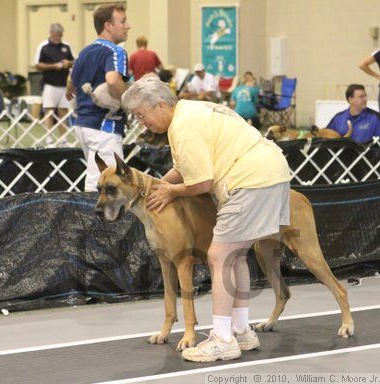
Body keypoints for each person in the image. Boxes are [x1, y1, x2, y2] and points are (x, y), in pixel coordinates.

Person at [122, 75, 292, 362]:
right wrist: (160, 185)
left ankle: (222, 338)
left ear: (160, 105)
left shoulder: (183, 127)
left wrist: (172, 192)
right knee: (235, 256)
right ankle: (241, 331)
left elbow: (201, 183)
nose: (142, 122)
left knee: (219, 255)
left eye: (142, 115)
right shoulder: (191, 109)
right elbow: (182, 167)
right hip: (272, 173)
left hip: (248, 179)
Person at [67, 4, 130, 192]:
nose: (128, 26)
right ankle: (99, 221)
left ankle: (91, 220)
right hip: (104, 126)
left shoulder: (84, 52)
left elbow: (71, 82)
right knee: (111, 185)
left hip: (83, 124)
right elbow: (112, 80)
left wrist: (73, 91)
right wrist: (127, 101)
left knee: (97, 178)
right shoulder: (115, 51)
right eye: (123, 21)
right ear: (108, 26)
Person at [35, 23, 75, 143]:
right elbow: (37, 65)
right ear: (51, 33)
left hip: (64, 85)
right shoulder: (43, 46)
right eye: (56, 35)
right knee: (49, 110)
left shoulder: (67, 46)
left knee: (63, 110)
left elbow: (75, 61)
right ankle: (49, 137)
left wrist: (69, 63)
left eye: (60, 35)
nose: (58, 37)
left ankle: (63, 138)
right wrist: (53, 66)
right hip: (50, 84)